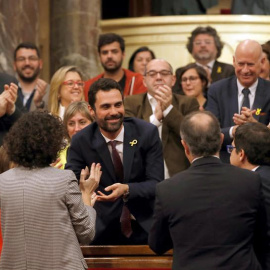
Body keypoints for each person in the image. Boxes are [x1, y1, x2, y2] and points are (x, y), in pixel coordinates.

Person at [149, 110, 270, 270]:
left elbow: (157, 245)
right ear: (221, 140)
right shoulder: (250, 181)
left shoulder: (167, 189)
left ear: (185, 145)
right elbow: (262, 235)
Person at [66, 78, 164, 245]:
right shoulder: (81, 141)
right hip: (99, 228)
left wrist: (127, 189)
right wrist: (86, 189)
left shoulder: (146, 133)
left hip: (145, 225)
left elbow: (156, 183)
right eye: (106, 107)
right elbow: (71, 187)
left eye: (118, 105)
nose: (114, 112)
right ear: (91, 110)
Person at [0, 111, 101, 270]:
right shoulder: (64, 179)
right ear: (53, 143)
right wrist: (86, 196)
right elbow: (86, 233)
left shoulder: (2, 182)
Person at [124, 59, 199, 177]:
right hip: (143, 175)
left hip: (180, 175)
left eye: (164, 73)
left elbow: (194, 137)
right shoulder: (131, 103)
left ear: (173, 80)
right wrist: (156, 119)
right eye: (152, 74)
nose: (158, 77)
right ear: (144, 81)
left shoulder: (188, 103)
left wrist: (168, 109)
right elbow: (131, 139)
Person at [206, 39, 270, 163]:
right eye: (241, 64)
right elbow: (210, 133)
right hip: (225, 163)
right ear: (234, 61)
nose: (245, 70)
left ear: (262, 62)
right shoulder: (217, 90)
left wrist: (254, 127)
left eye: (250, 64)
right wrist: (233, 131)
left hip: (263, 164)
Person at [84, 33, 147, 100]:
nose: (109, 56)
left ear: (123, 54)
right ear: (99, 56)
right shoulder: (89, 86)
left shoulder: (139, 81)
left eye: (114, 51)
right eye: (105, 52)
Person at [173, 26, 234, 94]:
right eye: (198, 43)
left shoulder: (229, 70)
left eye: (207, 42)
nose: (203, 45)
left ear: (217, 46)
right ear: (191, 47)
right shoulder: (181, 72)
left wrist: (209, 84)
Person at [56, 101, 93, 169]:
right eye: (71, 124)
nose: (76, 129)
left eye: (82, 122)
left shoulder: (105, 150)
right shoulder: (57, 157)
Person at [13, 42, 49, 111]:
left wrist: (39, 104)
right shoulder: (6, 92)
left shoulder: (52, 93)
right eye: (21, 59)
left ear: (40, 63)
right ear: (14, 65)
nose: (27, 63)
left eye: (32, 58)